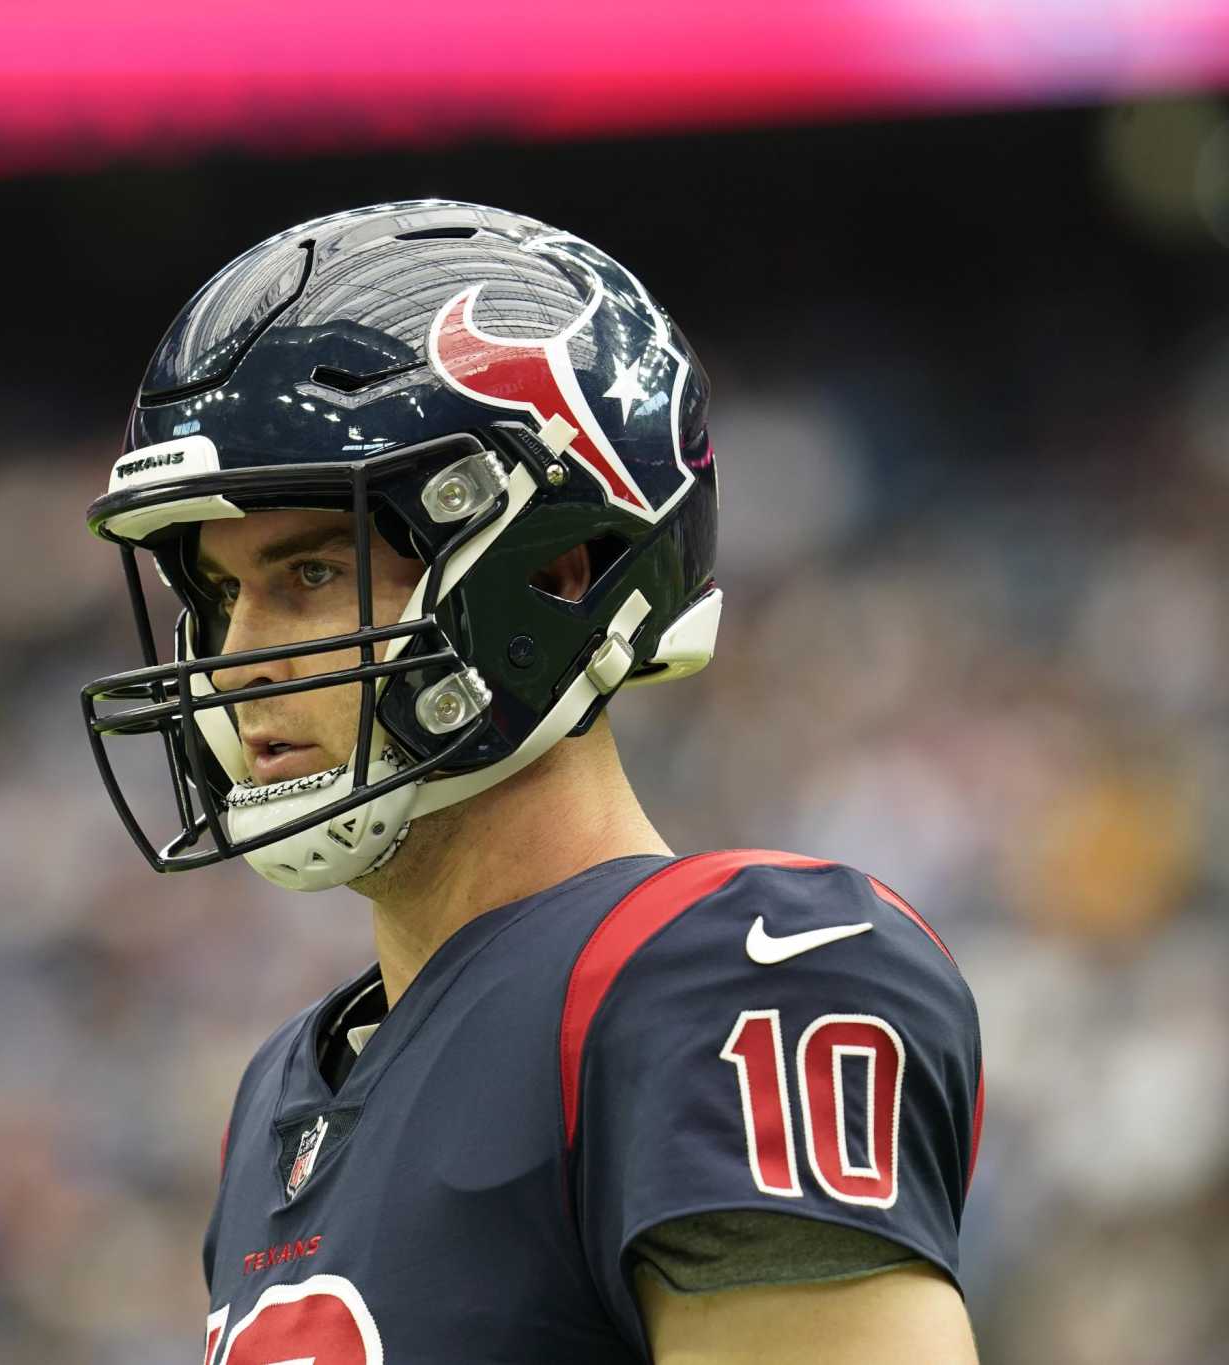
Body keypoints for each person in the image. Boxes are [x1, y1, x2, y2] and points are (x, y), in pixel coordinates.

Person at [78, 201, 984, 1363]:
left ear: (549, 572)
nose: (234, 657)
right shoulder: (279, 1093)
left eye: (306, 570)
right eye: (214, 596)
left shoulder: (728, 974)